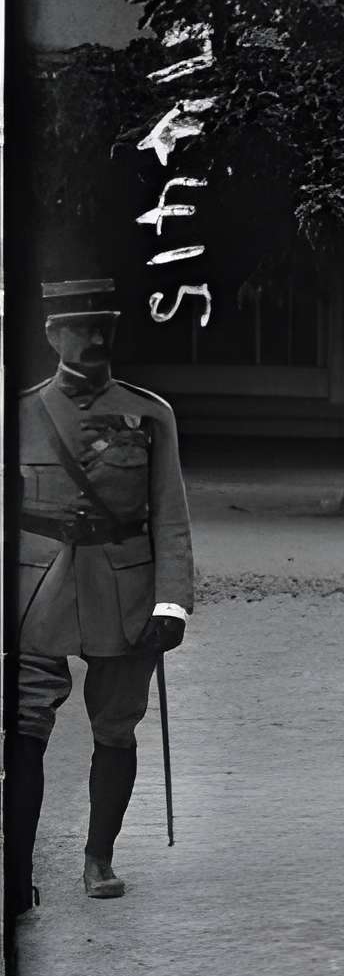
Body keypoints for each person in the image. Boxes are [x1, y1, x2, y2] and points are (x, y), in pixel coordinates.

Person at [7, 277, 196, 912]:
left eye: (103, 327)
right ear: (52, 335)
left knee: (116, 726)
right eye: (78, 328)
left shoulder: (151, 414)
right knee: (23, 723)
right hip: (37, 589)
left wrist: (171, 602)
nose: (92, 338)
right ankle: (16, 870)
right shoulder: (20, 412)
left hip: (124, 588)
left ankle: (99, 858)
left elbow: (170, 515)